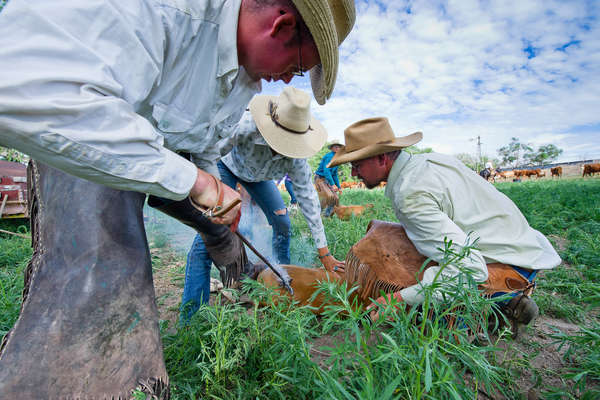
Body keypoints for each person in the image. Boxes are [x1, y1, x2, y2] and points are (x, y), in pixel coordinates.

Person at [0, 0, 356, 397]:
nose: (286, 78)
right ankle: (96, 377)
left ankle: (240, 288)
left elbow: (204, 145)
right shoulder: (163, 10)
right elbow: (21, 85)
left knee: (226, 234)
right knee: (113, 269)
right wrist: (199, 182)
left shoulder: (242, 80)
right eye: (297, 66)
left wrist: (215, 202)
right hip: (83, 139)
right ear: (281, 25)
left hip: (160, 159)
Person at [327, 117, 561, 325]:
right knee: (395, 238)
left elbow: (470, 270)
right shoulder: (428, 162)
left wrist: (398, 298)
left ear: (381, 158)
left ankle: (497, 306)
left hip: (507, 269)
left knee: (420, 310)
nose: (355, 173)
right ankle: (504, 300)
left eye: (357, 165)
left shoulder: (410, 194)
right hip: (526, 255)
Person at [180, 87, 345, 321]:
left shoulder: (297, 160)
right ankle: (191, 318)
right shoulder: (244, 126)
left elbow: (308, 201)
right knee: (208, 236)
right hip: (226, 167)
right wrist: (214, 196)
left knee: (282, 221)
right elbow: (208, 153)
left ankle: (284, 278)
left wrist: (324, 253)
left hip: (260, 178)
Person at [315, 141, 343, 216]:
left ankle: (328, 215)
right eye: (335, 146)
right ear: (331, 148)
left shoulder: (337, 158)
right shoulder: (329, 156)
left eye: (339, 147)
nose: (338, 148)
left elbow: (334, 174)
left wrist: (339, 187)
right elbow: (326, 171)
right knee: (329, 196)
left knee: (335, 198)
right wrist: (333, 184)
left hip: (327, 179)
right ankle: (318, 215)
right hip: (320, 178)